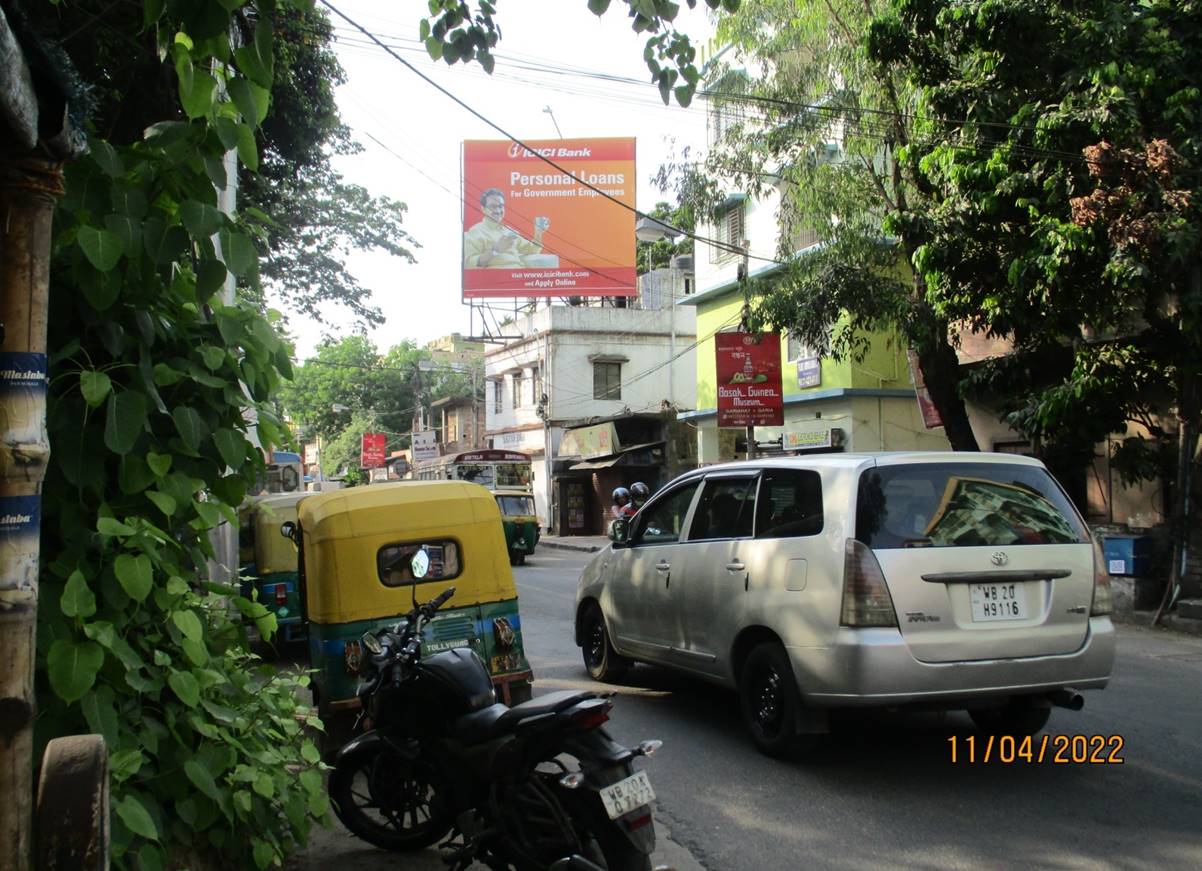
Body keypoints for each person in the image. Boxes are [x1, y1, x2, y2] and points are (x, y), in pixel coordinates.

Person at [463, 188, 549, 268]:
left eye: (500, 206)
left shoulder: (509, 231)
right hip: (499, 279)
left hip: (519, 276)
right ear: (483, 209)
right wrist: (495, 250)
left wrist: (538, 233)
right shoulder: (476, 232)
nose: (498, 210)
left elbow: (532, 250)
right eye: (493, 206)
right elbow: (470, 263)